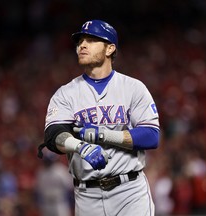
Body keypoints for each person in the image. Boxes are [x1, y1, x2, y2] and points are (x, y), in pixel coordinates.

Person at [38, 19, 160, 216]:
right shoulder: (65, 93)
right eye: (80, 41)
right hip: (87, 196)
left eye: (91, 40)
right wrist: (80, 146)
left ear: (110, 48)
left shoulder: (133, 88)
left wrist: (103, 135)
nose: (82, 45)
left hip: (129, 192)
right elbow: (53, 136)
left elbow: (151, 136)